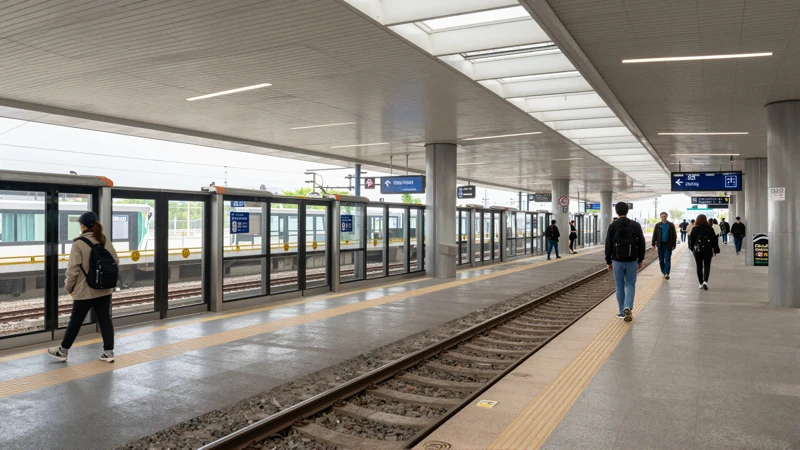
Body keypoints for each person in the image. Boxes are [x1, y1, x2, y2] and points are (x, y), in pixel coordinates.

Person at [48, 212, 119, 363]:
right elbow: (116, 261)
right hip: (104, 289)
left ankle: (63, 351)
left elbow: (72, 269)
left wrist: (68, 287)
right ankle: (108, 352)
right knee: (105, 320)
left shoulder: (78, 243)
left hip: (84, 290)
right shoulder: (104, 239)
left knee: (75, 321)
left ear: (82, 226)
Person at [605, 202, 646, 322]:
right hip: (632, 260)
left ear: (616, 212)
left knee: (619, 287)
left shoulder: (613, 226)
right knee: (630, 284)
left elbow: (608, 245)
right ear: (627, 211)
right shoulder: (635, 225)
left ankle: (622, 312)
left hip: (617, 261)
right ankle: (628, 306)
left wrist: (608, 261)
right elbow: (642, 243)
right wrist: (641, 259)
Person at [688, 214, 720, 290]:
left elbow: (691, 240)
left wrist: (692, 248)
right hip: (708, 250)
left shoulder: (695, 228)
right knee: (707, 266)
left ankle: (700, 283)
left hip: (698, 250)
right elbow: (714, 240)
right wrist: (715, 249)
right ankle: (705, 281)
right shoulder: (710, 228)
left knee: (699, 266)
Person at [651, 212, 677, 280]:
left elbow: (674, 236)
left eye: (664, 216)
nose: (663, 217)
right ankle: (663, 272)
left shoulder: (671, 225)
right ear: (660, 217)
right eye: (662, 216)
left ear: (667, 217)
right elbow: (654, 235)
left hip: (668, 244)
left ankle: (666, 273)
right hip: (660, 245)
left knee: (667, 259)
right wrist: (653, 244)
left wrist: (674, 244)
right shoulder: (658, 225)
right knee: (661, 260)